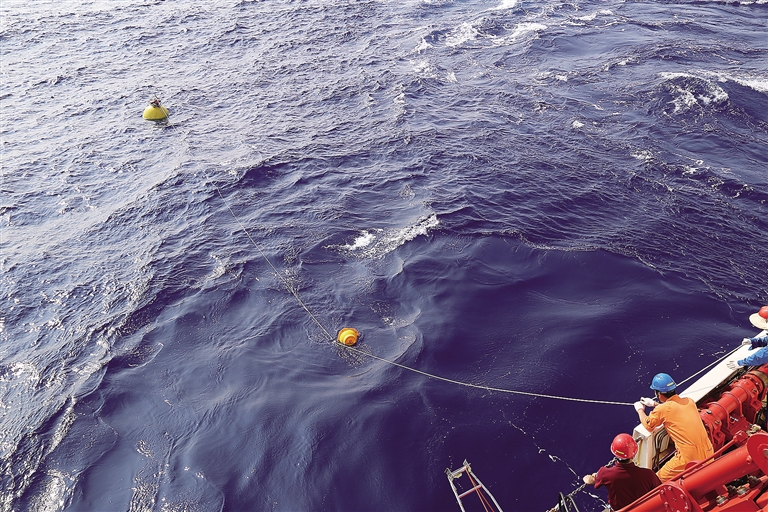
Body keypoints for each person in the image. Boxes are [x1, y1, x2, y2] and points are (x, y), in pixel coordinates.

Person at [634, 373, 714, 482]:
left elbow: (648, 425)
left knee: (656, 480)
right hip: (708, 451)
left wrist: (640, 409)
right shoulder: (689, 401)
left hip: (688, 457)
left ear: (658, 394)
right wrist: (654, 404)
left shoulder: (663, 409)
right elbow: (674, 409)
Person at [583, 434, 660, 510]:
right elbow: (659, 490)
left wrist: (591, 477)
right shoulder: (649, 475)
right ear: (633, 455)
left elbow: (590, 480)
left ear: (614, 454)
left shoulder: (605, 474)